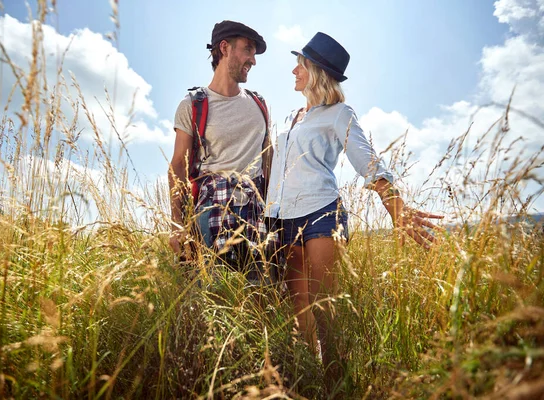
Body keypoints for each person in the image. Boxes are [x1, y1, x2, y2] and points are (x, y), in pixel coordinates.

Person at [265, 32, 443, 379]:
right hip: (280, 220)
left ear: (315, 71)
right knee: (297, 308)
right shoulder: (290, 117)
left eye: (299, 65)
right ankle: (309, 380)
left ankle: (335, 380)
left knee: (324, 309)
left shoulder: (339, 114)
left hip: (321, 214)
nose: (293, 71)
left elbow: (368, 161)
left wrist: (397, 208)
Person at [168, 20, 274, 281]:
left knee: (258, 295)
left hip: (255, 212)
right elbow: (178, 167)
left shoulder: (259, 104)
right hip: (210, 212)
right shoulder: (193, 104)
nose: (253, 60)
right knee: (212, 296)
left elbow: (268, 160)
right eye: (248, 50)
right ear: (224, 48)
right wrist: (176, 223)